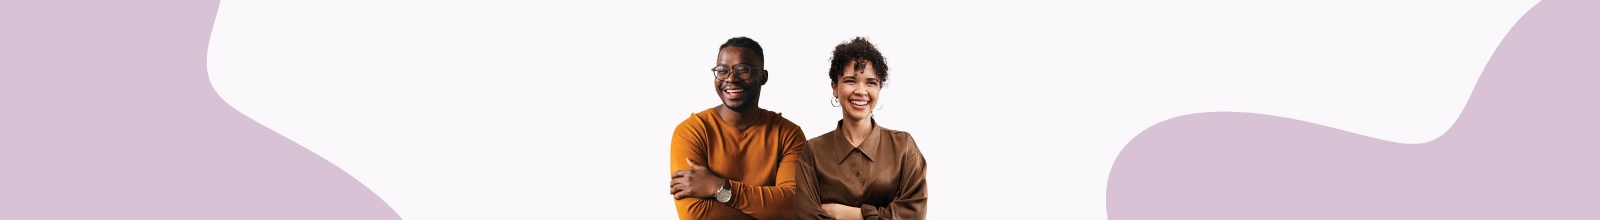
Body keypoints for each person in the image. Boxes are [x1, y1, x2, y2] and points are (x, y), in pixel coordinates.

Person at [670, 37, 807, 220]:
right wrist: (770, 210)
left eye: (743, 70)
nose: (731, 78)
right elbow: (695, 214)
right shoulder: (692, 131)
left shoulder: (788, 134)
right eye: (722, 70)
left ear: (763, 77)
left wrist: (720, 187)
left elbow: (793, 206)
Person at [793, 37, 928, 220]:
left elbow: (913, 214)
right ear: (835, 87)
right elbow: (805, 216)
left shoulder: (904, 146)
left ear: (879, 88)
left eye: (871, 82)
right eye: (851, 81)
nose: (861, 90)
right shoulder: (813, 151)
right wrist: (886, 213)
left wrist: (851, 214)